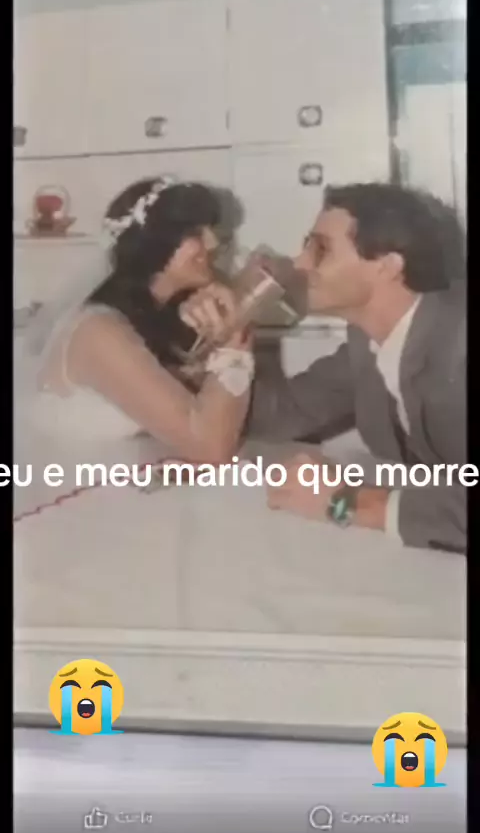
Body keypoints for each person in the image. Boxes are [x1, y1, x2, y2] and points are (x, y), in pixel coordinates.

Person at [180, 182, 467, 553]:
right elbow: (278, 418)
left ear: (387, 266)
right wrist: (234, 334)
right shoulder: (367, 342)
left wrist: (346, 502)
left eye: (320, 249)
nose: (299, 264)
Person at [18, 178, 254, 464]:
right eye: (195, 232)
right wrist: (234, 341)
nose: (213, 243)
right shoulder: (98, 332)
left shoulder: (161, 317)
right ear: (153, 244)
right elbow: (209, 448)